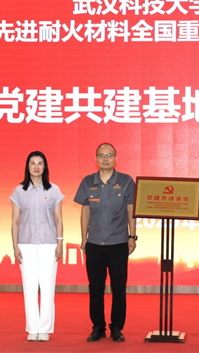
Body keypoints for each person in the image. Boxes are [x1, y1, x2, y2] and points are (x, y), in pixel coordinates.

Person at [73, 143, 137, 342]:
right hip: (94, 244)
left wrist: (132, 236)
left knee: (118, 288)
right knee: (95, 288)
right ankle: (98, 327)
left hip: (118, 243)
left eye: (109, 155)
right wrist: (84, 239)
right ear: (96, 159)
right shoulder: (87, 182)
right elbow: (85, 212)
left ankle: (116, 327)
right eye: (102, 155)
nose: (105, 159)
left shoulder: (126, 181)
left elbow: (131, 210)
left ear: (115, 158)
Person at [11, 151, 64, 342]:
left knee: (48, 287)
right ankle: (32, 329)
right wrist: (15, 246)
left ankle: (45, 329)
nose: (36, 167)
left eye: (40, 163)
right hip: (26, 245)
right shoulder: (19, 191)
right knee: (29, 287)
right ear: (27, 166)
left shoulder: (53, 190)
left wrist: (60, 242)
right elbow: (15, 221)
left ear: (45, 166)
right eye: (32, 163)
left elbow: (58, 219)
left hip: (49, 244)